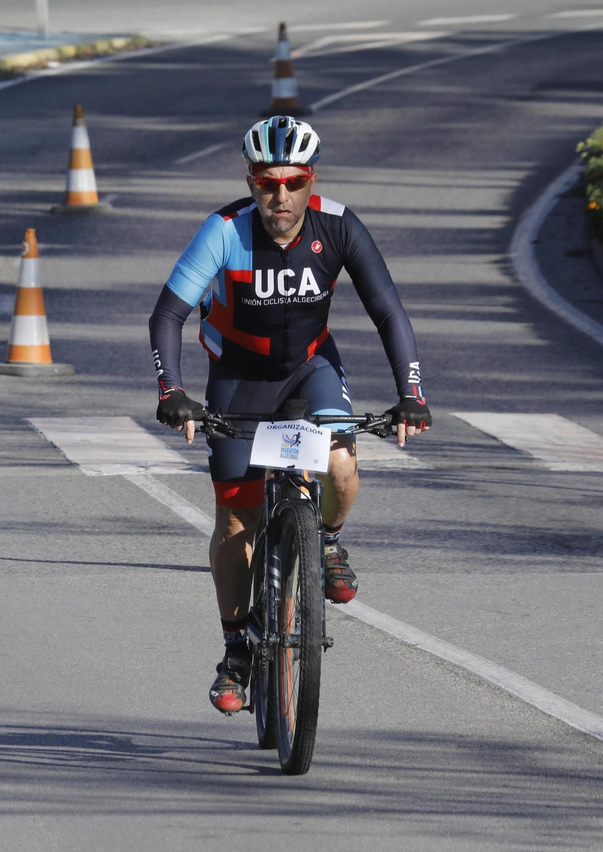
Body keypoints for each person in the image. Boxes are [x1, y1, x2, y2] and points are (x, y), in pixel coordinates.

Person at [148, 116, 430, 714]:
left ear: (311, 180)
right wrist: (172, 389)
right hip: (238, 378)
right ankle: (236, 654)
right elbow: (167, 316)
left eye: (293, 183)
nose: (281, 197)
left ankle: (325, 541)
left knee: (341, 468)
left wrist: (412, 393)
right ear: (252, 182)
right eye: (267, 183)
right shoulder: (224, 231)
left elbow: (389, 312)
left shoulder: (339, 225)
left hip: (309, 367)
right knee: (236, 519)